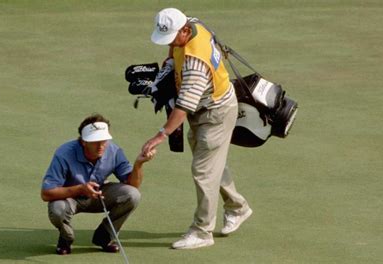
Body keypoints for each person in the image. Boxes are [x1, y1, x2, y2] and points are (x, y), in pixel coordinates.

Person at [142, 8, 252, 249]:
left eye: (172, 38)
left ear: (183, 30)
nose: (170, 43)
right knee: (212, 165)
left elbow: (182, 108)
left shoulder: (195, 65)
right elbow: (176, 49)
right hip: (208, 109)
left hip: (215, 114)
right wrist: (170, 61)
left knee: (203, 172)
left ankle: (202, 231)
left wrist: (161, 135)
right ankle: (238, 208)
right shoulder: (193, 23)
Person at [41, 113, 155, 255]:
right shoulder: (64, 153)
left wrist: (138, 164)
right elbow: (46, 193)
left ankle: (104, 237)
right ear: (83, 141)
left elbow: (133, 185)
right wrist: (81, 189)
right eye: (95, 141)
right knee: (57, 209)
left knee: (132, 195)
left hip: (98, 195)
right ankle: (66, 238)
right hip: (69, 198)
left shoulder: (114, 151)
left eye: (104, 140)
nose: (101, 145)